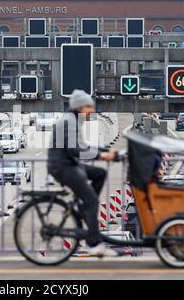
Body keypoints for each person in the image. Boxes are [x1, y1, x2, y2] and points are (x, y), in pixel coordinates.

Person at [48, 89, 118, 257]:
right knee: (92, 200)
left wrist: (107, 151)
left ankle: (86, 209)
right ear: (79, 107)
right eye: (89, 107)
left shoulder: (75, 120)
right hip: (63, 167)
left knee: (100, 174)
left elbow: (84, 146)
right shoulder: (69, 121)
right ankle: (93, 244)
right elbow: (75, 150)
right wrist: (102, 155)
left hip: (71, 165)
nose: (92, 111)